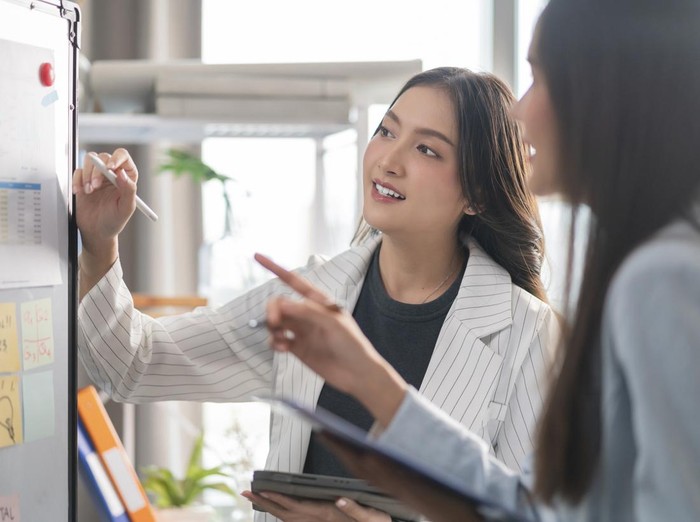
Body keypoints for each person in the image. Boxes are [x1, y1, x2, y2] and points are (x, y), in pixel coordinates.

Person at [257, 1, 700, 521]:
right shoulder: (649, 271)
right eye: (388, 131)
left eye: (541, 78)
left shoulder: (663, 279)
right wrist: (374, 384)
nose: (519, 111)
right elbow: (536, 510)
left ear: (612, 97)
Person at [74, 67, 559, 521]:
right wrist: (100, 243)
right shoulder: (311, 297)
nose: (389, 161)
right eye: (387, 132)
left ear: (475, 193)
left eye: (427, 150)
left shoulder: (529, 333)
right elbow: (134, 365)